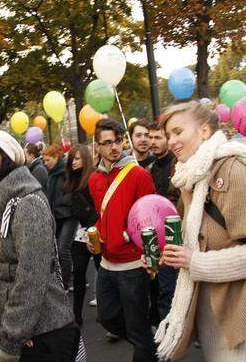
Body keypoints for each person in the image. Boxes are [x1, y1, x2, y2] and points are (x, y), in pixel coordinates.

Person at [149, 101, 246, 361]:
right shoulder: (191, 177)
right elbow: (196, 243)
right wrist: (168, 255)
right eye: (168, 135)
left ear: (204, 131)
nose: (171, 141)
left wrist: (195, 261)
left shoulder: (233, 168)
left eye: (178, 132)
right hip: (212, 318)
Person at [0, 130, 80, 362]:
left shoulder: (28, 203)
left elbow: (32, 276)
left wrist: (13, 340)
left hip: (40, 331)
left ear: (7, 158)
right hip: (6, 325)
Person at [87, 118, 157, 362]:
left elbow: (150, 216)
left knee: (139, 330)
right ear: (97, 146)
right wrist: (93, 232)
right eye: (107, 143)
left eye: (117, 141)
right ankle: (152, 346)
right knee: (107, 317)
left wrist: (126, 234)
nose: (114, 147)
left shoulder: (138, 174)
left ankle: (146, 348)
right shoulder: (94, 179)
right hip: (106, 264)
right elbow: (103, 216)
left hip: (133, 264)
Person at [64, 144, 100, 327]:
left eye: (78, 158)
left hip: (95, 230)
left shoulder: (94, 176)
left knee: (103, 272)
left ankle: (108, 311)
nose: (74, 162)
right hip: (80, 233)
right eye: (72, 159)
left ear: (85, 158)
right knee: (78, 273)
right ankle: (76, 316)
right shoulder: (70, 180)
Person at [147, 122, 180, 322]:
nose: (152, 142)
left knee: (170, 287)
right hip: (156, 236)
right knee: (162, 287)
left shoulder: (177, 164)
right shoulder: (150, 167)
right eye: (150, 138)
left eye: (157, 137)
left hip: (175, 232)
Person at [43, 145, 78, 289]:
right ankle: (71, 278)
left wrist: (63, 203)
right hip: (57, 215)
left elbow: (72, 192)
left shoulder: (66, 171)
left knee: (63, 248)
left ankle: (65, 282)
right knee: (59, 248)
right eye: (44, 160)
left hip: (68, 215)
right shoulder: (51, 174)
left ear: (56, 157)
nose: (45, 163)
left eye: (48, 160)